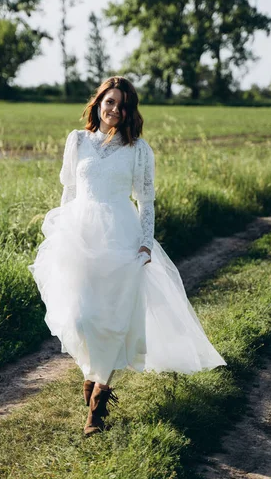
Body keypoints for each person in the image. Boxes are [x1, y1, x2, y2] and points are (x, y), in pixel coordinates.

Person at [28, 76, 227, 436]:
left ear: (129, 111)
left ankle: (98, 405)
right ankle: (92, 374)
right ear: (98, 102)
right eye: (110, 102)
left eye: (123, 105)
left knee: (113, 319)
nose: (115, 110)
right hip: (79, 236)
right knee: (79, 317)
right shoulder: (77, 141)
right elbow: (69, 190)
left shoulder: (139, 150)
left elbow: (145, 200)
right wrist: (60, 231)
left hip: (121, 236)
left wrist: (145, 243)